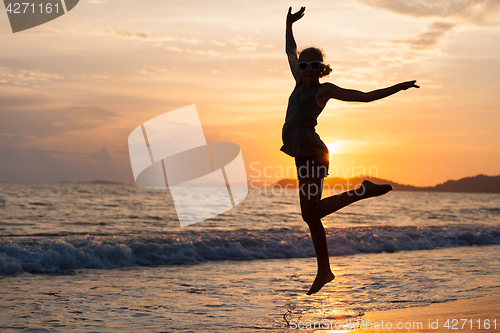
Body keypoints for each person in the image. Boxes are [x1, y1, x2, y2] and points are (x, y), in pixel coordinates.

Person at [282, 6, 419, 295]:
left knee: (310, 214)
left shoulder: (323, 90)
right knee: (311, 215)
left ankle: (363, 193)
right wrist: (288, 24)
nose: (306, 70)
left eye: (313, 66)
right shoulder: (297, 83)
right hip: (301, 153)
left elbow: (366, 97)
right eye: (304, 66)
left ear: (321, 68)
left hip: (312, 152)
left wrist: (400, 87)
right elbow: (289, 52)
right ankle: (325, 270)